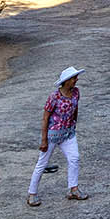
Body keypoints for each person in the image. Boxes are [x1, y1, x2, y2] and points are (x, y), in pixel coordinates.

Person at [29, 67, 85, 206]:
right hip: (53, 135)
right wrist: (44, 140)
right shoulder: (54, 97)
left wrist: (74, 123)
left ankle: (73, 188)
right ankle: (32, 194)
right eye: (74, 78)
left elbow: (75, 107)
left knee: (74, 158)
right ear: (66, 81)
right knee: (41, 164)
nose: (76, 79)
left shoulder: (76, 92)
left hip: (68, 133)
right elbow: (45, 118)